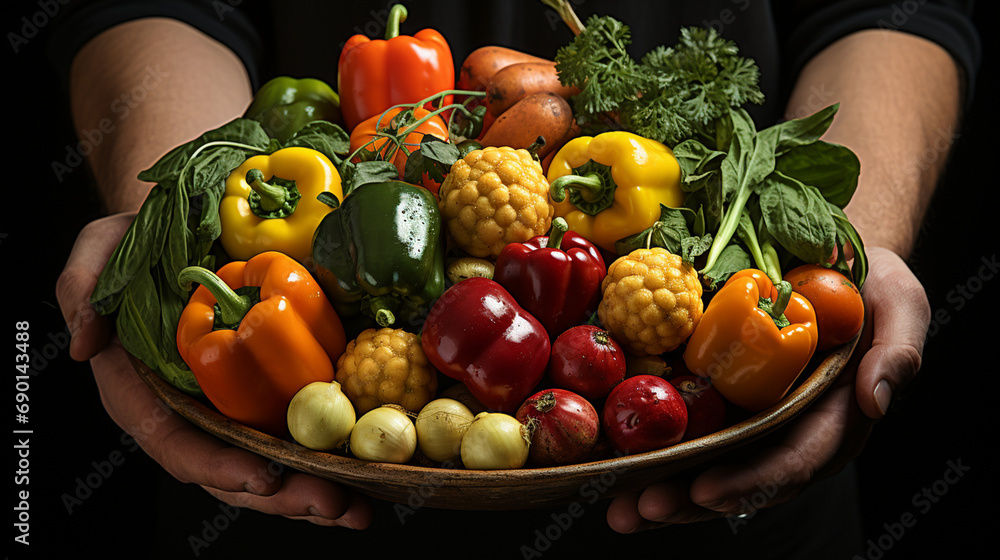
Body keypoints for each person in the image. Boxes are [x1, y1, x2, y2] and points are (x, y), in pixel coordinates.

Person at [50, 0, 978, 554]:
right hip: (276, 519)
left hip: (735, 514)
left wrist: (851, 251)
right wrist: (168, 224)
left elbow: (894, 10)